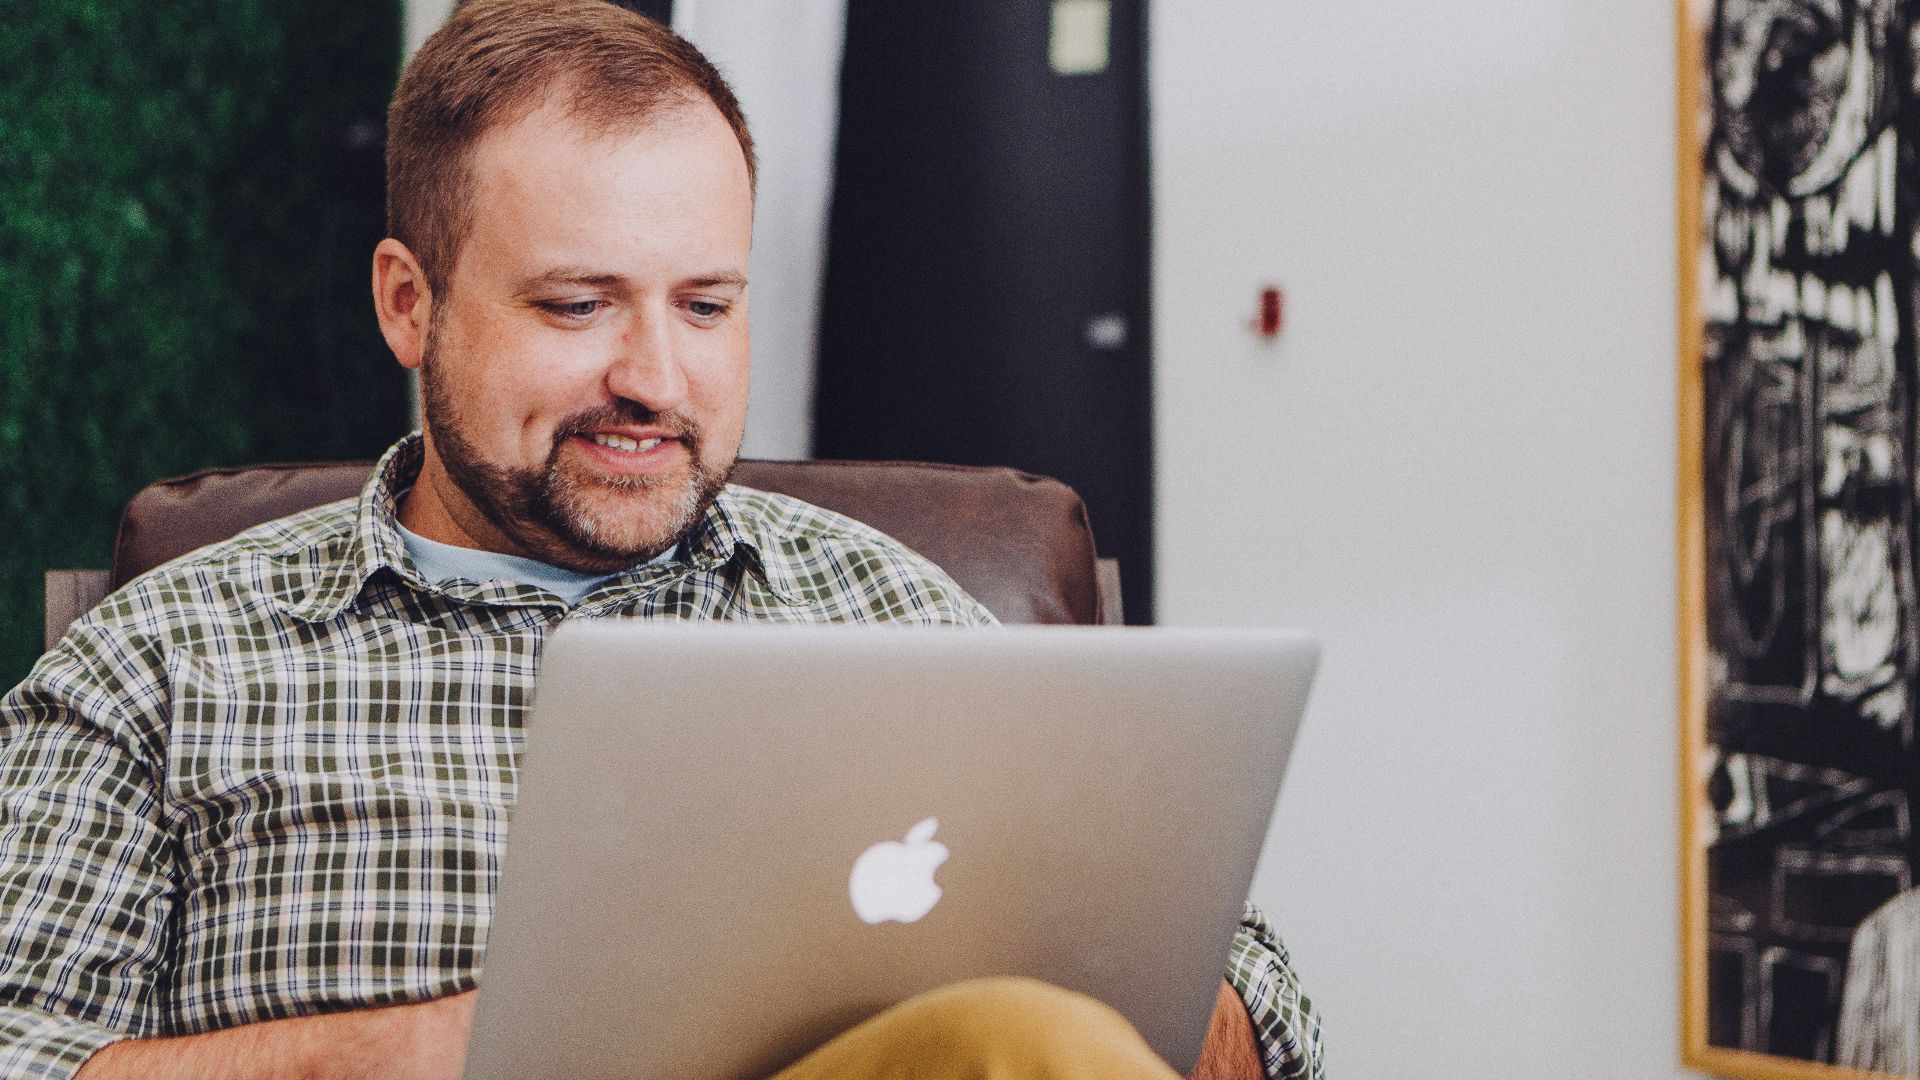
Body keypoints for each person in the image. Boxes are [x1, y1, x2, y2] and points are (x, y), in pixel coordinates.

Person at [0, 2, 1324, 1077]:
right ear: (410, 305)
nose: (655, 378)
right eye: (578, 305)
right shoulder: (167, 658)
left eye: (705, 305)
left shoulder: (891, 613)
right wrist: (433, 1056)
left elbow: (1261, 1012)